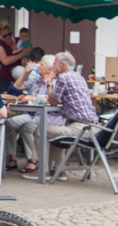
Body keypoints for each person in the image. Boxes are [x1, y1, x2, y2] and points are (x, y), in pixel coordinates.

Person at [21, 52, 99, 181]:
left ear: (63, 65)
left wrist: (50, 82)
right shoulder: (79, 77)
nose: (53, 67)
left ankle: (43, 170)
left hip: (80, 128)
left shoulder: (63, 78)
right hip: (93, 127)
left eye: (55, 64)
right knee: (56, 128)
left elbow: (53, 101)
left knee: (41, 130)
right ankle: (59, 170)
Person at [5, 54, 60, 174]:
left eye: (41, 64)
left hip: (46, 116)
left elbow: (52, 100)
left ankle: (33, 159)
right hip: (31, 113)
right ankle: (11, 156)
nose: (38, 66)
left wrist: (33, 98)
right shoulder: (36, 81)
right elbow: (17, 86)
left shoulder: (55, 83)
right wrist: (26, 72)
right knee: (8, 123)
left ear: (49, 69)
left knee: (27, 127)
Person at [0, 22, 31, 92]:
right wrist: (21, 54)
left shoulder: (19, 40)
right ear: (0, 35)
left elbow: (28, 48)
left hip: (20, 77)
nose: (8, 37)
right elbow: (6, 61)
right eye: (4, 36)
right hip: (5, 80)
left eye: (9, 34)